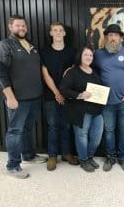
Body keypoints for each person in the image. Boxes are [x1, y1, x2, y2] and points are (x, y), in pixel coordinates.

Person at [0, 14, 47, 179]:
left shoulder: (31, 45)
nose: (21, 28)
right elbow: (0, 73)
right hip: (17, 99)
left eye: (23, 25)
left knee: (28, 129)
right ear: (10, 27)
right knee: (15, 131)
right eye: (18, 26)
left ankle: (29, 155)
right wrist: (9, 97)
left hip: (35, 97)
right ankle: (13, 165)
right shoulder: (4, 45)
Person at [94, 24, 124, 172]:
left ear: (120, 37)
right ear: (106, 37)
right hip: (106, 102)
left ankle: (123, 158)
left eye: (116, 35)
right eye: (110, 35)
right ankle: (110, 157)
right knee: (109, 130)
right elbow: (87, 70)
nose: (113, 38)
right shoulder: (98, 54)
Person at [40, 22, 79, 171]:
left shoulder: (71, 52)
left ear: (64, 34)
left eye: (60, 30)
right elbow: (45, 74)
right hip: (51, 95)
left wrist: (64, 92)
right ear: (51, 33)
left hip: (67, 95)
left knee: (66, 126)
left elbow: (73, 71)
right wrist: (57, 93)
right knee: (53, 126)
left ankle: (67, 154)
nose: (57, 33)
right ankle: (52, 156)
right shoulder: (44, 52)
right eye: (54, 30)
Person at [60, 47, 104, 172]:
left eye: (91, 55)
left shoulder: (94, 71)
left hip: (96, 110)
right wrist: (79, 95)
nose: (89, 57)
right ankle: (83, 160)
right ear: (80, 56)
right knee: (81, 136)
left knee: (96, 137)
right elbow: (63, 90)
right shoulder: (72, 72)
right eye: (86, 54)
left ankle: (89, 157)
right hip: (80, 111)